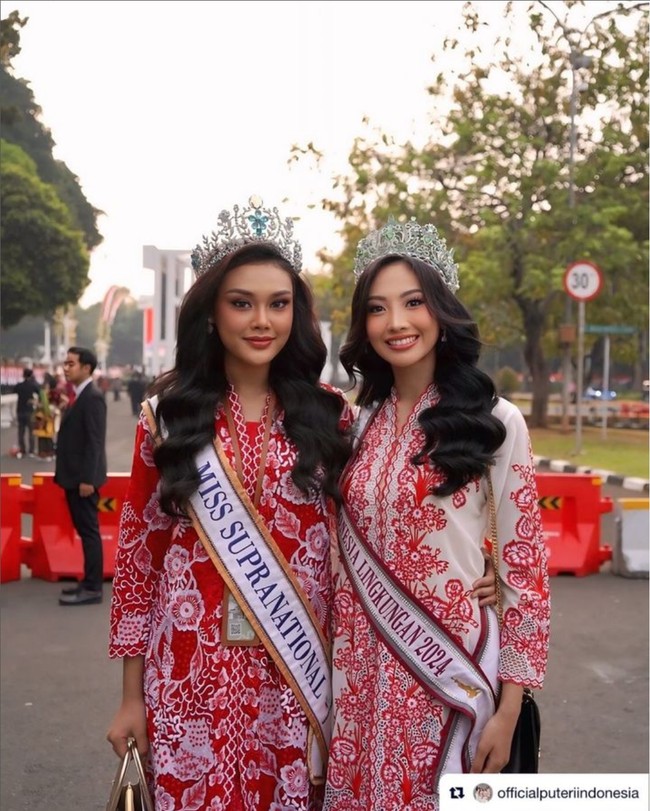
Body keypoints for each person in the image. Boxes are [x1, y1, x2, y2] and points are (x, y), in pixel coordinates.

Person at [107, 198, 354, 811]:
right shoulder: (166, 418)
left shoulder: (330, 415)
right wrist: (130, 696)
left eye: (279, 303)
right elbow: (138, 560)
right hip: (189, 669)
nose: (262, 321)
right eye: (241, 303)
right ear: (211, 312)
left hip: (296, 668)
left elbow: (376, 522)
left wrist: (480, 562)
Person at [323, 218, 550, 810]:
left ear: (441, 310)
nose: (396, 322)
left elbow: (525, 568)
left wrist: (510, 707)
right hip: (357, 673)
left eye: (413, 302)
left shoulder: (494, 422)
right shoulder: (356, 424)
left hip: (449, 673)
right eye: (377, 309)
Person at [55, 347, 108, 606]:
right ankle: (88, 582)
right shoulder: (79, 396)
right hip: (74, 477)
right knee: (85, 531)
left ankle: (93, 588)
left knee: (89, 533)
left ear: (86, 368)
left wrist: (87, 479)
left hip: (83, 480)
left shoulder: (92, 397)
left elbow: (94, 442)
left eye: (71, 364)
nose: (66, 368)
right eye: (65, 363)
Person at [14, 367, 40, 458]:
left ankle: (22, 449)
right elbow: (40, 393)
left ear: (23, 375)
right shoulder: (33, 385)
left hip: (20, 411)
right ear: (31, 375)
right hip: (30, 411)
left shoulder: (19, 386)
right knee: (31, 431)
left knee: (21, 432)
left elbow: (14, 390)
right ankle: (31, 450)